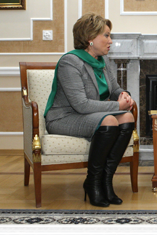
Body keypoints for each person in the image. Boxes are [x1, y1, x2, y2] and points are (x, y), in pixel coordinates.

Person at [45, 13, 135, 207]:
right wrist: (116, 106)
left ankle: (106, 181)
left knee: (127, 117)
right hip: (64, 117)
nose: (110, 41)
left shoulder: (102, 62)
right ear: (90, 39)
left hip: (90, 116)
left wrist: (125, 95)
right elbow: (81, 105)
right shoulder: (70, 62)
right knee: (110, 120)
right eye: (106, 35)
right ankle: (92, 182)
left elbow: (114, 89)